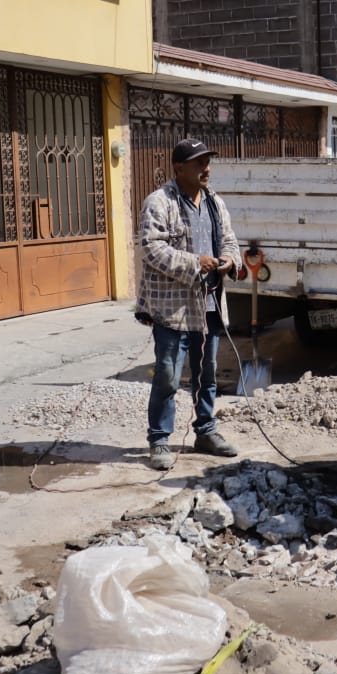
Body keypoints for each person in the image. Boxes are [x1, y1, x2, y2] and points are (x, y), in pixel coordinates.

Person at [135, 138, 242, 471]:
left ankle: (205, 431)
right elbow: (152, 250)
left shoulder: (214, 202)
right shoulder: (159, 202)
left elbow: (229, 240)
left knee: (206, 373)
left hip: (208, 305)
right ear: (179, 168)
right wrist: (196, 262)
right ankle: (159, 439)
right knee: (167, 375)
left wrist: (228, 260)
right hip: (172, 308)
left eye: (207, 162)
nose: (206, 169)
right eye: (199, 163)